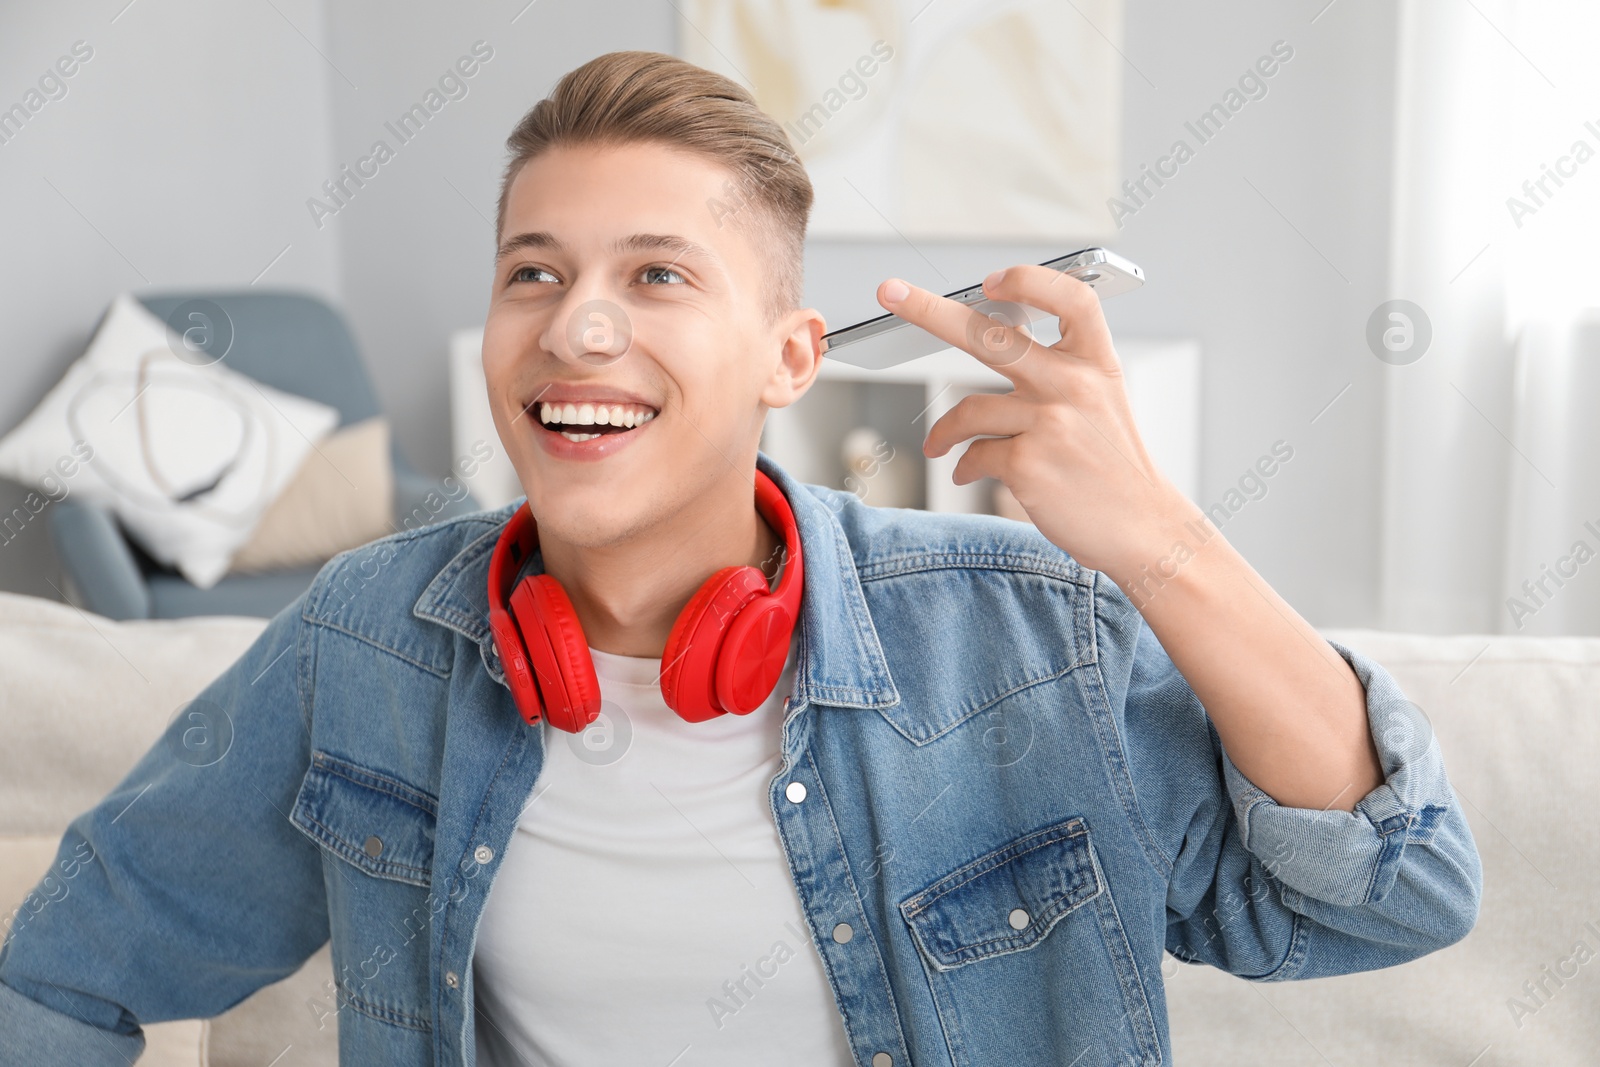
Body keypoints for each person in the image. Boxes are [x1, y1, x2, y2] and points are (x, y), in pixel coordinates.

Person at [0, 50, 1480, 1067]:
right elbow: (65, 971)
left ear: (789, 358)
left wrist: (1162, 542)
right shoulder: (368, 641)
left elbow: (1386, 895)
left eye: (656, 274)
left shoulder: (1022, 643)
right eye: (535, 271)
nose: (578, 324)